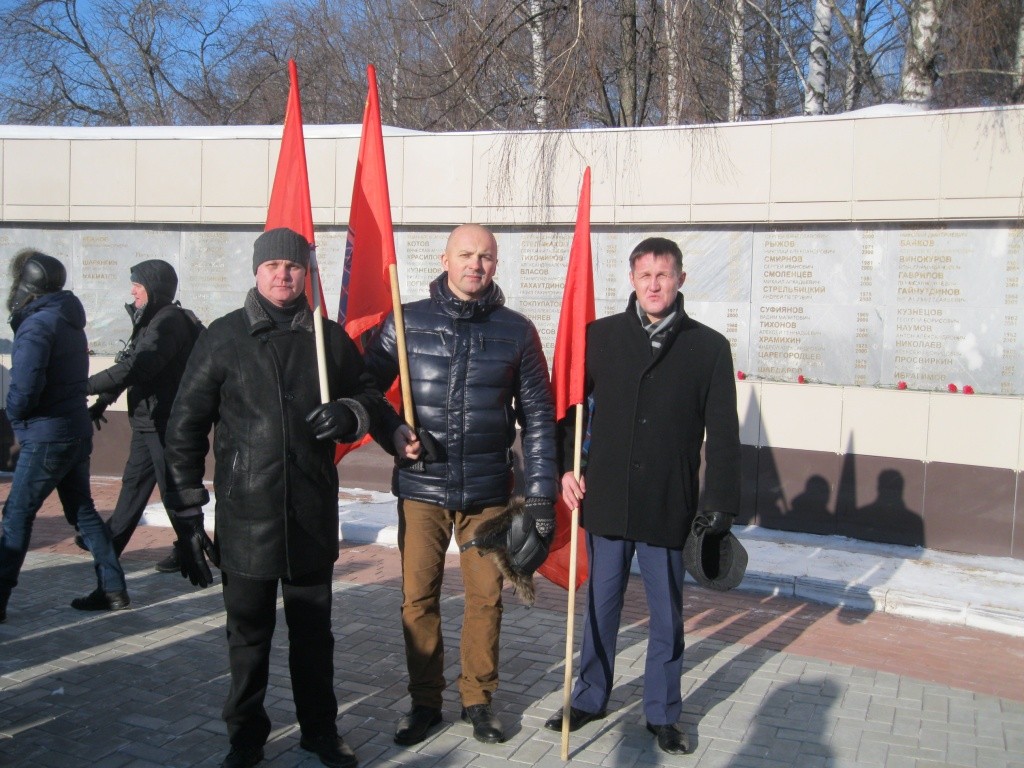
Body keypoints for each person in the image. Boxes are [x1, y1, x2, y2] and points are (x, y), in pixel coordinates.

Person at [162, 228, 393, 768]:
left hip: (310, 513)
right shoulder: (223, 337)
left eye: (293, 266)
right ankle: (246, 737)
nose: (283, 275)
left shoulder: (327, 337)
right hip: (248, 516)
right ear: (257, 271)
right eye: (273, 266)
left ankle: (319, 729)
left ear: (306, 273)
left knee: (314, 635)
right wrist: (188, 514)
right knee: (248, 637)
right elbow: (185, 427)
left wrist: (349, 414)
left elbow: (368, 395)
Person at [543, 237, 740, 755]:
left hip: (667, 502)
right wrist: (566, 467)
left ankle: (663, 711)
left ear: (680, 279)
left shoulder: (709, 347)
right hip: (604, 496)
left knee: (667, 617)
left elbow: (722, 434)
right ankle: (589, 697)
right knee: (600, 606)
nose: (654, 284)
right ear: (631, 278)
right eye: (645, 274)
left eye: (664, 274)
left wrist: (717, 507)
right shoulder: (600, 336)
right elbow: (570, 410)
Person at [363, 223, 557, 746]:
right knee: (417, 597)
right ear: (445, 258)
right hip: (422, 487)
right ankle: (425, 701)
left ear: (496, 265)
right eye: (467, 254)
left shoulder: (517, 331)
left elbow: (538, 417)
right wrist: (391, 430)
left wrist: (541, 496)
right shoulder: (406, 322)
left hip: (488, 493)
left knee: (485, 599)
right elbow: (364, 387)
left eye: (487, 256)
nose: (476, 264)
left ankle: (478, 699)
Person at [0, 249, 129, 621]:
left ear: (27, 287)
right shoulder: (66, 318)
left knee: (17, 514)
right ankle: (113, 588)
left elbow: (25, 386)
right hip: (73, 430)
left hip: (48, 435)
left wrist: (15, 415)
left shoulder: (38, 324)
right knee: (83, 512)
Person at [81, 259, 202, 573]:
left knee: (173, 490)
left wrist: (84, 386)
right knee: (134, 485)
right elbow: (132, 361)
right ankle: (110, 546)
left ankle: (195, 548)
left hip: (165, 421)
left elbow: (139, 367)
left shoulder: (168, 322)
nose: (133, 290)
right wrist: (103, 401)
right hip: (148, 420)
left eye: (138, 284)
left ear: (155, 288)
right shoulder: (152, 319)